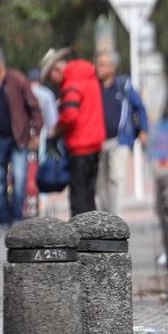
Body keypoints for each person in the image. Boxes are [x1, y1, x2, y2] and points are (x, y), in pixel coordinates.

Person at [0, 44, 44, 235]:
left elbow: (34, 107)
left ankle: (17, 220)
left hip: (18, 138)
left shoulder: (18, 80)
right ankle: (3, 221)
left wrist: (36, 133)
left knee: (20, 179)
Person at [95, 49, 149, 215]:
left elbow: (140, 107)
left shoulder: (123, 85)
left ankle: (116, 220)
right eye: (98, 64)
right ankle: (102, 220)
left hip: (120, 140)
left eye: (103, 64)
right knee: (99, 183)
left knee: (116, 179)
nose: (99, 68)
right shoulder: (94, 86)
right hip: (97, 141)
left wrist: (143, 130)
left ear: (113, 67)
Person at [55, 57, 106, 215]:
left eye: (51, 77)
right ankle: (92, 232)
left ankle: (80, 234)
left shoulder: (72, 85)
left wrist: (57, 128)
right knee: (89, 194)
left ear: (57, 70)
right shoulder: (91, 79)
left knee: (78, 196)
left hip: (79, 146)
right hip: (95, 143)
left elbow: (70, 116)